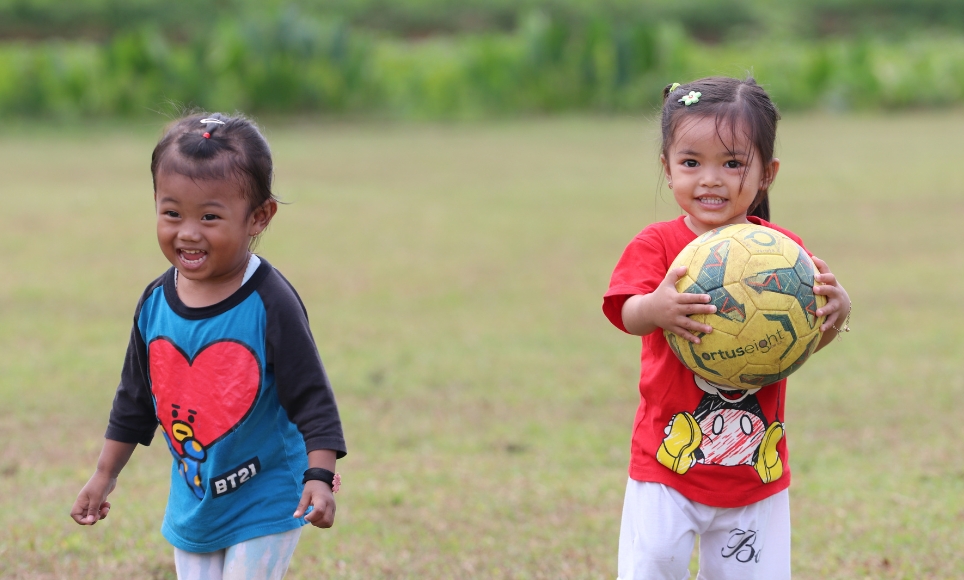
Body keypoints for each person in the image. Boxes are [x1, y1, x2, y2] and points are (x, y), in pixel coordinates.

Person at [70, 112, 347, 580]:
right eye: (172, 212)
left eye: (210, 217)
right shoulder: (156, 304)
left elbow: (311, 397)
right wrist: (103, 475)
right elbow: (136, 400)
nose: (188, 232)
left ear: (259, 216)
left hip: (270, 490)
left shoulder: (270, 301)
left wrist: (318, 477)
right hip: (196, 497)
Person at [602, 77, 851, 579]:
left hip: (754, 471)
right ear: (667, 170)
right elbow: (625, 312)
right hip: (667, 463)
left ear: (766, 174)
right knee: (653, 567)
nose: (710, 179)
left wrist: (834, 316)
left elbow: (797, 344)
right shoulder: (658, 245)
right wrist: (658, 308)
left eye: (732, 163)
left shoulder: (784, 252)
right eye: (691, 162)